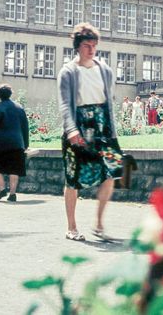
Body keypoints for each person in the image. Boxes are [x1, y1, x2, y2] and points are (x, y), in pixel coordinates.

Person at [58, 22, 123, 241]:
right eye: (87, 45)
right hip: (78, 128)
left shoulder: (104, 70)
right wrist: (71, 129)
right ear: (78, 46)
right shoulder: (68, 71)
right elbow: (65, 104)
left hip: (102, 127)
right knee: (72, 177)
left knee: (113, 170)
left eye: (94, 45)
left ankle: (99, 223)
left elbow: (108, 101)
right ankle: (72, 227)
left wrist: (112, 130)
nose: (92, 49)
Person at [0, 83, 29, 203]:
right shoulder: (19, 107)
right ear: (10, 93)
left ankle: (2, 190)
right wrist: (25, 144)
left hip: (1, 143)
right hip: (17, 143)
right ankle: (13, 194)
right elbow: (25, 127)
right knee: (14, 169)